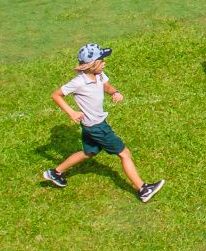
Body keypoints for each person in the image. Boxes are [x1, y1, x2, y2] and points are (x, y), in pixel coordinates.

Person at [42, 43, 163, 200]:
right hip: (97, 127)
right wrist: (71, 112)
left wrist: (115, 92)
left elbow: (106, 85)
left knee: (88, 152)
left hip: (91, 126)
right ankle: (143, 189)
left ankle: (55, 173)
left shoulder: (99, 75)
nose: (105, 62)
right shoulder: (79, 82)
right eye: (102, 60)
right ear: (92, 65)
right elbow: (56, 95)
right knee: (125, 154)